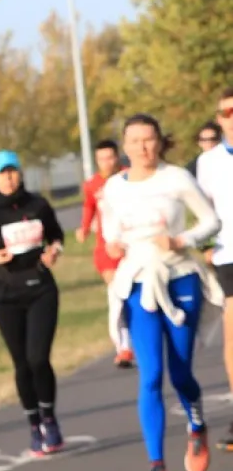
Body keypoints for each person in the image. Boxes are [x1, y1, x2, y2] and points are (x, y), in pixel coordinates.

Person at [103, 114, 222, 471]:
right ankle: (157, 466)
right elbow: (110, 233)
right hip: (140, 281)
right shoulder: (114, 187)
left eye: (149, 139)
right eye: (135, 140)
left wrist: (181, 240)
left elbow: (211, 222)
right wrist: (112, 246)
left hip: (179, 276)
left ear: (160, 142)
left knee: (181, 372)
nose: (143, 147)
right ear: (125, 146)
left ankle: (197, 426)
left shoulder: (176, 178)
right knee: (151, 374)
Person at [0, 150, 67, 457]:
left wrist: (54, 250)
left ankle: (49, 418)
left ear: (20, 173)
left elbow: (56, 236)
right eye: (2, 173)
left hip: (41, 289)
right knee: (21, 363)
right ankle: (34, 424)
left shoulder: (38, 205)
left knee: (38, 359)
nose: (8, 178)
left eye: (12, 171)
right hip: (7, 295)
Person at [77, 140, 134, 367]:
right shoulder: (92, 185)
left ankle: (140, 338)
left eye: (110, 157)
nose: (106, 163)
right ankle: (123, 347)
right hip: (105, 249)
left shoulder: (130, 177)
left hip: (131, 246)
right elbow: (89, 206)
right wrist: (84, 228)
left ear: (117, 157)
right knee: (116, 294)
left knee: (134, 295)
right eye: (101, 159)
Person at [197, 89, 233, 451]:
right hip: (228, 255)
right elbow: (201, 209)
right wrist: (204, 244)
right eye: (227, 113)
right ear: (220, 118)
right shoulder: (208, 162)